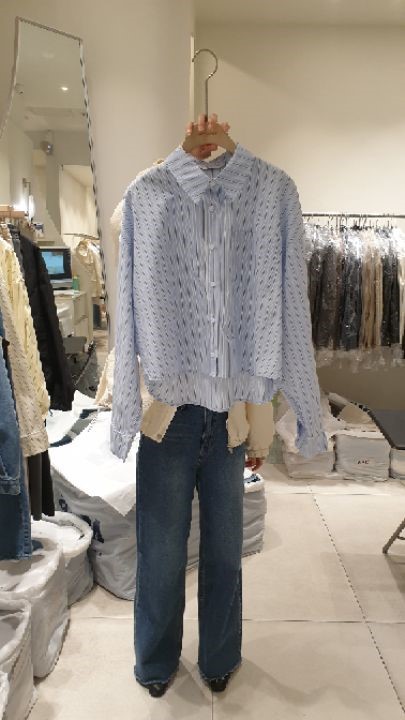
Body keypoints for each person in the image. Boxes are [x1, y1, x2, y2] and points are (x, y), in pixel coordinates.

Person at [133, 114, 269, 698]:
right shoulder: (148, 201)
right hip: (169, 418)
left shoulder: (251, 215)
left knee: (225, 554)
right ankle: (155, 661)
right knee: (161, 555)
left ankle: (219, 656)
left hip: (229, 416)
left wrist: (260, 430)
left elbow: (261, 330)